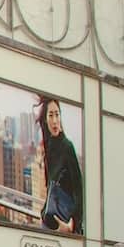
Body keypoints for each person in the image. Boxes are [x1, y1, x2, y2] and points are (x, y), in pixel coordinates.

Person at [36, 97, 84, 233]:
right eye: (51, 115)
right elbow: (50, 187)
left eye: (57, 114)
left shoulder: (67, 147)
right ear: (45, 119)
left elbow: (79, 191)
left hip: (64, 226)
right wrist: (44, 213)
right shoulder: (49, 147)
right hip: (48, 225)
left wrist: (72, 226)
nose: (55, 120)